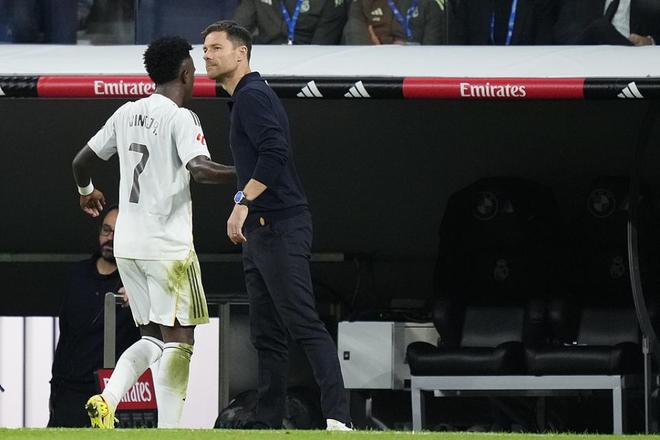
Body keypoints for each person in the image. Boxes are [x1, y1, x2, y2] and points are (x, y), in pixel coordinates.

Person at [71, 36, 235, 428]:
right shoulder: (181, 117)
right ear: (186, 72)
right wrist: (250, 172)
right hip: (167, 248)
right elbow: (200, 169)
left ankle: (108, 398)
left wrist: (86, 191)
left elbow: (80, 162)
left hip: (128, 245)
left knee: (153, 338)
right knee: (181, 342)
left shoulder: (126, 112)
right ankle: (169, 431)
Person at [201, 20, 352, 431]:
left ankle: (339, 418)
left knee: (303, 323)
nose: (207, 55)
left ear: (241, 53)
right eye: (205, 49)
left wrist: (241, 202)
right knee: (266, 333)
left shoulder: (252, 96)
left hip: (280, 226)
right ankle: (267, 422)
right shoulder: (243, 98)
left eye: (216, 48)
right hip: (262, 232)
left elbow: (274, 154)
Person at [48, 205, 140, 428]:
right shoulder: (76, 275)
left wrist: (140, 297)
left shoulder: (138, 282)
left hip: (116, 392)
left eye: (118, 232)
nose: (110, 238)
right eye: (106, 230)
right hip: (69, 390)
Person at [233, 0, 347, 44]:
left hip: (309, 63)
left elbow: (321, 48)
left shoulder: (330, 2)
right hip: (266, 60)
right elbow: (234, 32)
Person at [448, 0, 557, 45]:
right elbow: (459, 40)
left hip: (524, 75)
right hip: (479, 74)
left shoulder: (540, 4)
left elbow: (544, 44)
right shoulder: (470, 3)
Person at [554, 0, 659, 45]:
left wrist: (650, 42)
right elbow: (562, 33)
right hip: (590, 59)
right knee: (600, 28)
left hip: (636, 63)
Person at [343, 0, 446, 45]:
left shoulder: (430, 4)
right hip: (372, 66)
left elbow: (432, 47)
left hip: (414, 68)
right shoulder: (362, 4)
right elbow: (354, 33)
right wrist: (375, 51)